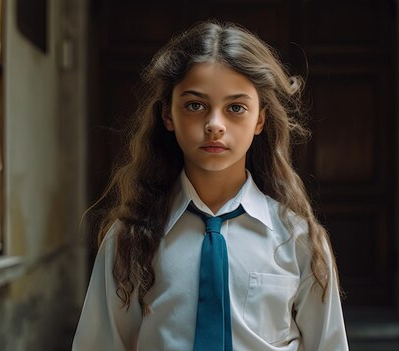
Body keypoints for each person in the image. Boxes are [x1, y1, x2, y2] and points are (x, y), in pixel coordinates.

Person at [73, 20, 348, 351]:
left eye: (235, 108)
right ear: (168, 115)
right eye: (195, 105)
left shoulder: (298, 239)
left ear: (260, 119)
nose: (215, 125)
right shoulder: (128, 239)